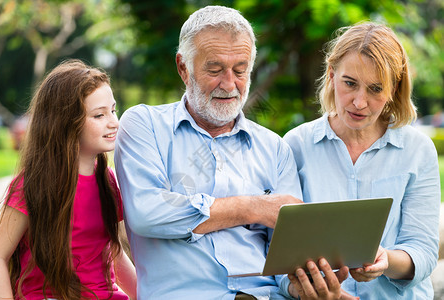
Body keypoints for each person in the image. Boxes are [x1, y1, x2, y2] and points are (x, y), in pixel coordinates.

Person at [114, 5, 350, 300]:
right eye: (214, 70)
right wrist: (253, 208)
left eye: (240, 70)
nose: (229, 84)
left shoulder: (274, 148)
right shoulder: (144, 125)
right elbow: (148, 214)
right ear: (183, 67)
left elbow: (285, 262)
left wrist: (301, 287)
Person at [284, 22, 440, 299]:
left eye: (375, 89)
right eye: (350, 83)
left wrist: (385, 260)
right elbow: (278, 251)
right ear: (332, 75)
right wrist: (303, 291)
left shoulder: (417, 150)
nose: (359, 102)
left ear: (394, 89)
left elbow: (423, 251)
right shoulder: (296, 145)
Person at [0, 60, 137, 299]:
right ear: (65, 123)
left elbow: (113, 251)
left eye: (113, 110)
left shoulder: (108, 181)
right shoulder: (32, 185)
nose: (113, 122)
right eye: (99, 115)